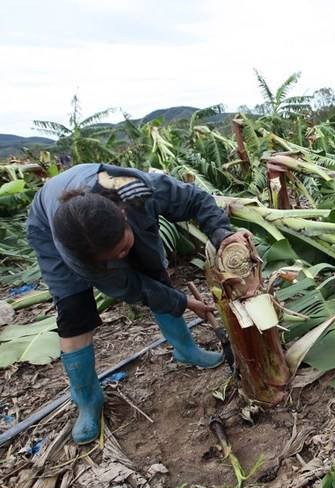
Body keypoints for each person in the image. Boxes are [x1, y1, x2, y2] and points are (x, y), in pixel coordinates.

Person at [26, 163, 249, 444]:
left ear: (123, 215)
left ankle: (186, 350)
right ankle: (88, 401)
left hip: (102, 207)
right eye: (110, 259)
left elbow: (196, 199)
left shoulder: (138, 190)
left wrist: (223, 234)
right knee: (75, 315)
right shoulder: (75, 252)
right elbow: (132, 287)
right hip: (48, 225)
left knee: (154, 270)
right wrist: (184, 302)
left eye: (121, 249)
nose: (120, 258)